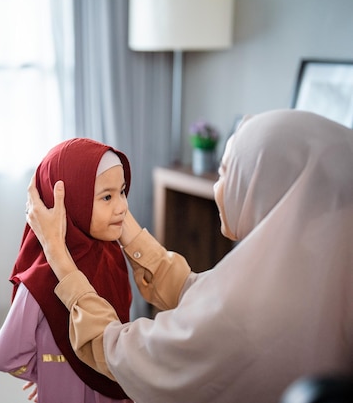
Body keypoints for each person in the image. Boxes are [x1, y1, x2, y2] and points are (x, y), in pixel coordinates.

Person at [24, 109, 353, 403]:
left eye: (225, 173)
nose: (216, 187)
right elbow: (197, 291)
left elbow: (119, 351)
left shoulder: (241, 312)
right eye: (109, 195)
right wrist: (128, 229)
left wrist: (58, 255)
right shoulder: (318, 270)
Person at [0, 138, 136, 402]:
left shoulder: (111, 255)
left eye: (123, 192)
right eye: (107, 196)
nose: (123, 206)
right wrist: (46, 372)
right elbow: (4, 355)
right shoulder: (43, 277)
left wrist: (49, 372)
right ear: (71, 203)